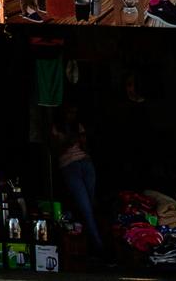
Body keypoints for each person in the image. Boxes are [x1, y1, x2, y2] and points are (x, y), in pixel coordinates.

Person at [52, 104, 104, 257]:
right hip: (69, 165)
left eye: (74, 112)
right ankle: (99, 247)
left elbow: (86, 147)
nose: (71, 115)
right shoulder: (56, 128)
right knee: (85, 206)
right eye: (69, 112)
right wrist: (67, 141)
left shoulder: (78, 126)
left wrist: (82, 140)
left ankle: (88, 244)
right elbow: (55, 150)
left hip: (85, 162)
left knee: (90, 205)